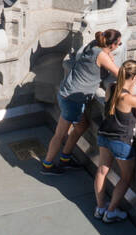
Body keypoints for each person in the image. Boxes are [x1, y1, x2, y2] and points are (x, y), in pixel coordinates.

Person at [41, 28, 123, 175]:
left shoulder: (94, 44)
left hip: (68, 92)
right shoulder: (102, 56)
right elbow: (118, 74)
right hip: (73, 98)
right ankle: (47, 165)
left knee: (81, 125)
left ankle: (65, 158)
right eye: (119, 44)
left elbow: (105, 55)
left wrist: (109, 54)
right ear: (112, 45)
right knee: (60, 134)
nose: (119, 46)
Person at [93, 59, 136, 221]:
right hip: (121, 140)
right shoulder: (128, 98)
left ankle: (100, 208)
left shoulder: (111, 88)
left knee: (102, 171)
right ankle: (110, 212)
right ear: (135, 77)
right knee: (126, 177)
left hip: (104, 134)